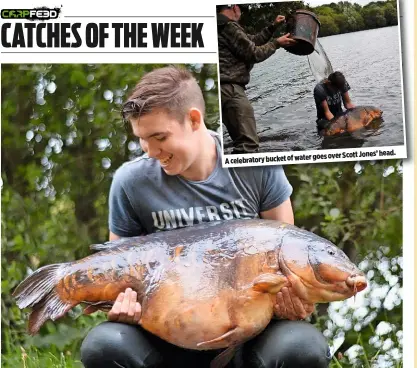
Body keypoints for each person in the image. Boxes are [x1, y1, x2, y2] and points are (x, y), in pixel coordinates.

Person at [80, 66, 331, 368]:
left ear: (194, 119)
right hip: (169, 336)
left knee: (303, 349)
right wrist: (122, 304)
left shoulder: (256, 165)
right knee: (104, 346)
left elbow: (287, 255)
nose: (150, 151)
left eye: (159, 137)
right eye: (142, 139)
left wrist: (290, 300)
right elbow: (118, 270)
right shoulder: (130, 182)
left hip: (250, 337)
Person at [217, 5, 297, 154]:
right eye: (241, 9)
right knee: (248, 146)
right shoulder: (227, 26)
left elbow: (252, 41)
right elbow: (254, 53)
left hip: (224, 90)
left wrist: (273, 27)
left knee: (241, 143)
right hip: (231, 90)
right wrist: (276, 43)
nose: (241, 13)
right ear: (234, 7)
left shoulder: (222, 25)